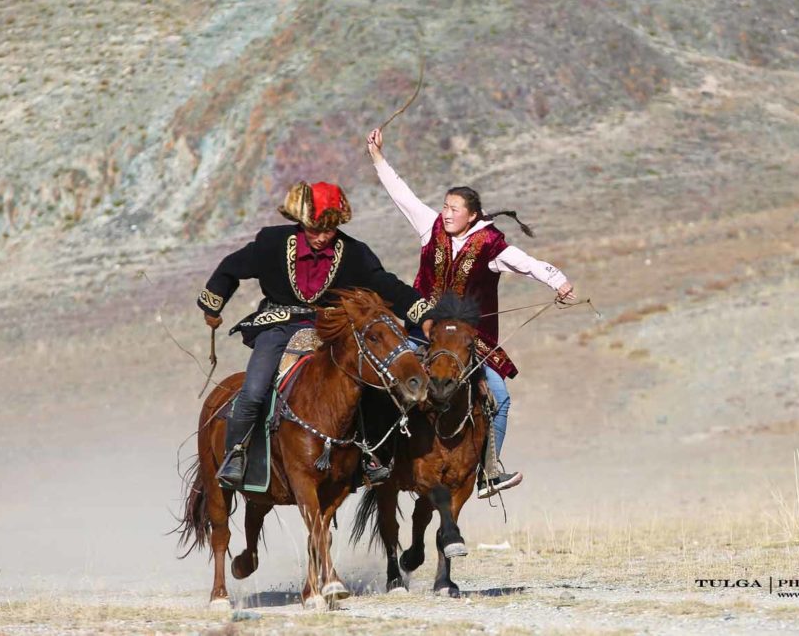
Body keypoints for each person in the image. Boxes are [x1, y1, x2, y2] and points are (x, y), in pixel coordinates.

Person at [366, 128, 577, 499]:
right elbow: (402, 194)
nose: (446, 214)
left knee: (499, 396)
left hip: (470, 341)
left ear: (472, 214)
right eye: (445, 207)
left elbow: (527, 264)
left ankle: (488, 470)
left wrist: (558, 281)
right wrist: (378, 157)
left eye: (453, 209)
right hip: (422, 330)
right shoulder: (429, 228)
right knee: (384, 382)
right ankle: (375, 459)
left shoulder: (492, 246)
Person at [197, 180, 433, 489]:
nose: (322, 237)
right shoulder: (272, 243)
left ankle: (368, 454)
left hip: (328, 330)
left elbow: (386, 284)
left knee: (365, 385)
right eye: (314, 230)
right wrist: (213, 305)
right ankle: (236, 453)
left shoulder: (354, 253)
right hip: (277, 325)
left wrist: (424, 313)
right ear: (301, 222)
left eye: (329, 231)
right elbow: (231, 267)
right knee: (254, 389)